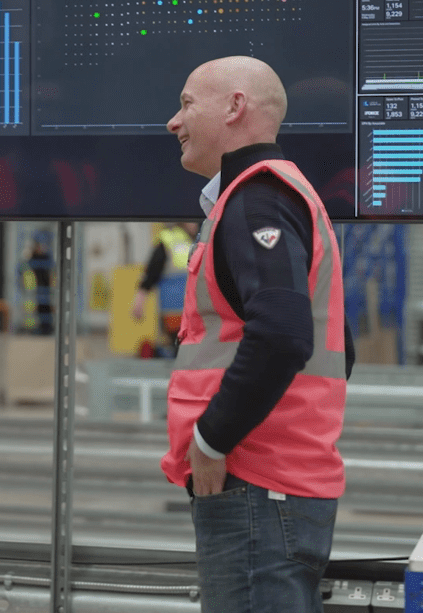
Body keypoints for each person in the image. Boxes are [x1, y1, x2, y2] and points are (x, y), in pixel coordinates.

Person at [159, 56, 355, 613]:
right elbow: (336, 343)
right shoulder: (286, 195)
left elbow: (284, 336)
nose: (173, 122)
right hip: (281, 485)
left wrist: (211, 440)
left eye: (187, 104)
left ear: (235, 107)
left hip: (253, 484)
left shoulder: (256, 199)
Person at [131, 221, 200, 352]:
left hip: (191, 310)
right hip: (175, 311)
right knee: (180, 349)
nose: (194, 224)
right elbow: (152, 271)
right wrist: (140, 299)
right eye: (190, 220)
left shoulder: (196, 240)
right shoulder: (170, 240)